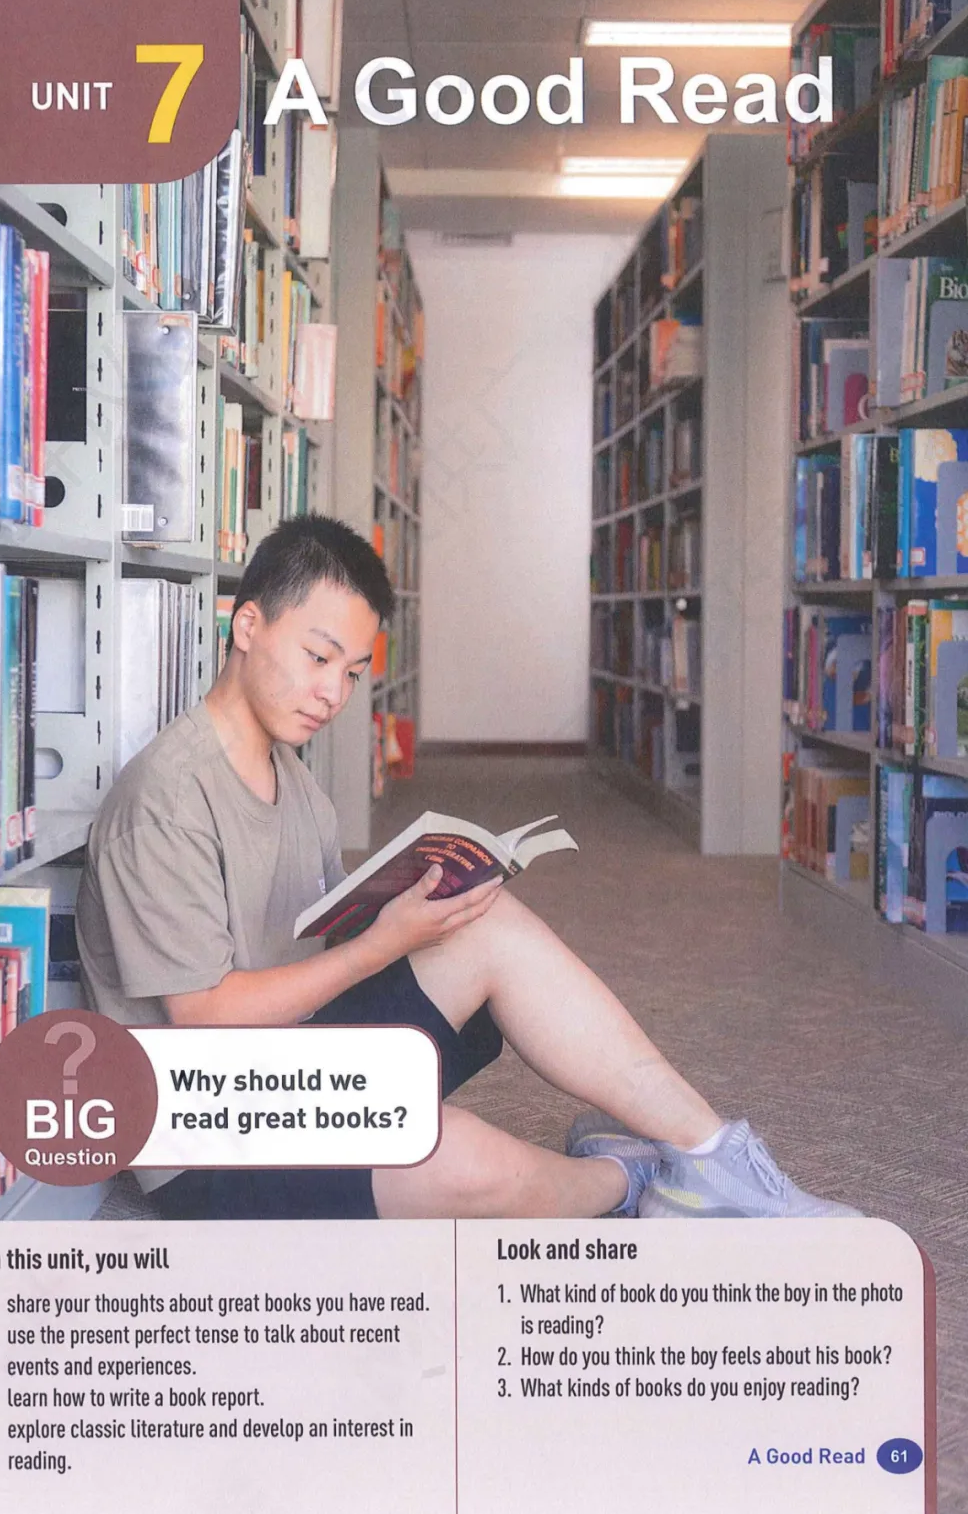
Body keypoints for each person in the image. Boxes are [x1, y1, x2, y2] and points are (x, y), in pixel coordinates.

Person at [76, 514, 860, 1222]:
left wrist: (415, 908)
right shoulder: (165, 800)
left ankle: (713, 1150)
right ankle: (634, 1181)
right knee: (470, 1162)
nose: (332, 692)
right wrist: (381, 945)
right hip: (209, 1133)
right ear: (247, 625)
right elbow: (205, 1017)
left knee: (488, 923)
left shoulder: (299, 786)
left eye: (352, 672)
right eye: (318, 656)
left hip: (296, 1064)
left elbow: (316, 944)